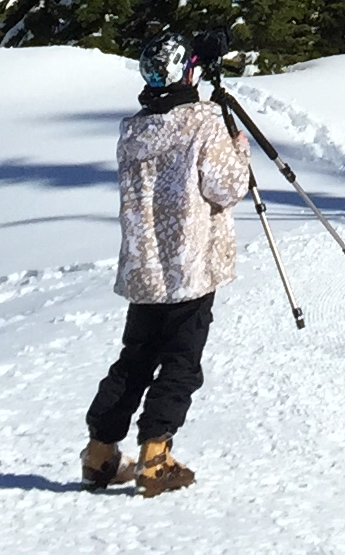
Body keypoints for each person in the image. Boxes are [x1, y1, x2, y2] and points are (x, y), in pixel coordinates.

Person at [81, 36, 256, 496]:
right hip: (190, 266)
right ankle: (155, 457)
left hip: (145, 269)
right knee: (181, 362)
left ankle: (100, 453)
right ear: (187, 73)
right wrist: (239, 149)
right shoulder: (201, 123)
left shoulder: (133, 130)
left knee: (135, 358)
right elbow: (228, 188)